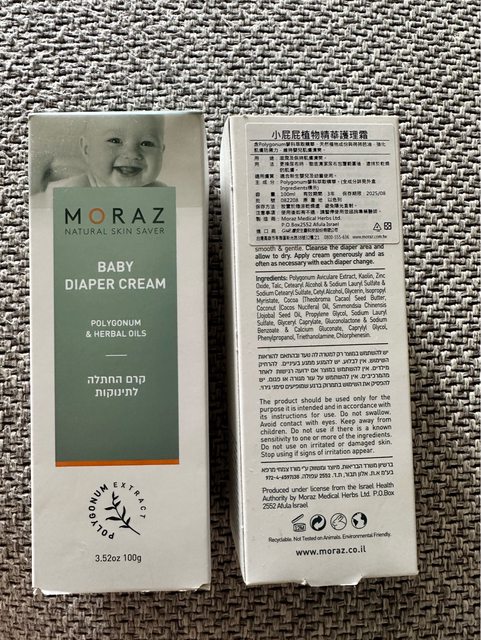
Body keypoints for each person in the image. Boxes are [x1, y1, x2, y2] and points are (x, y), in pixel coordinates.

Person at [31, 114, 166, 207]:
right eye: (115, 141)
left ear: (162, 151)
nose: (131, 154)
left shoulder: (159, 194)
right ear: (87, 148)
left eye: (147, 143)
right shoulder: (75, 192)